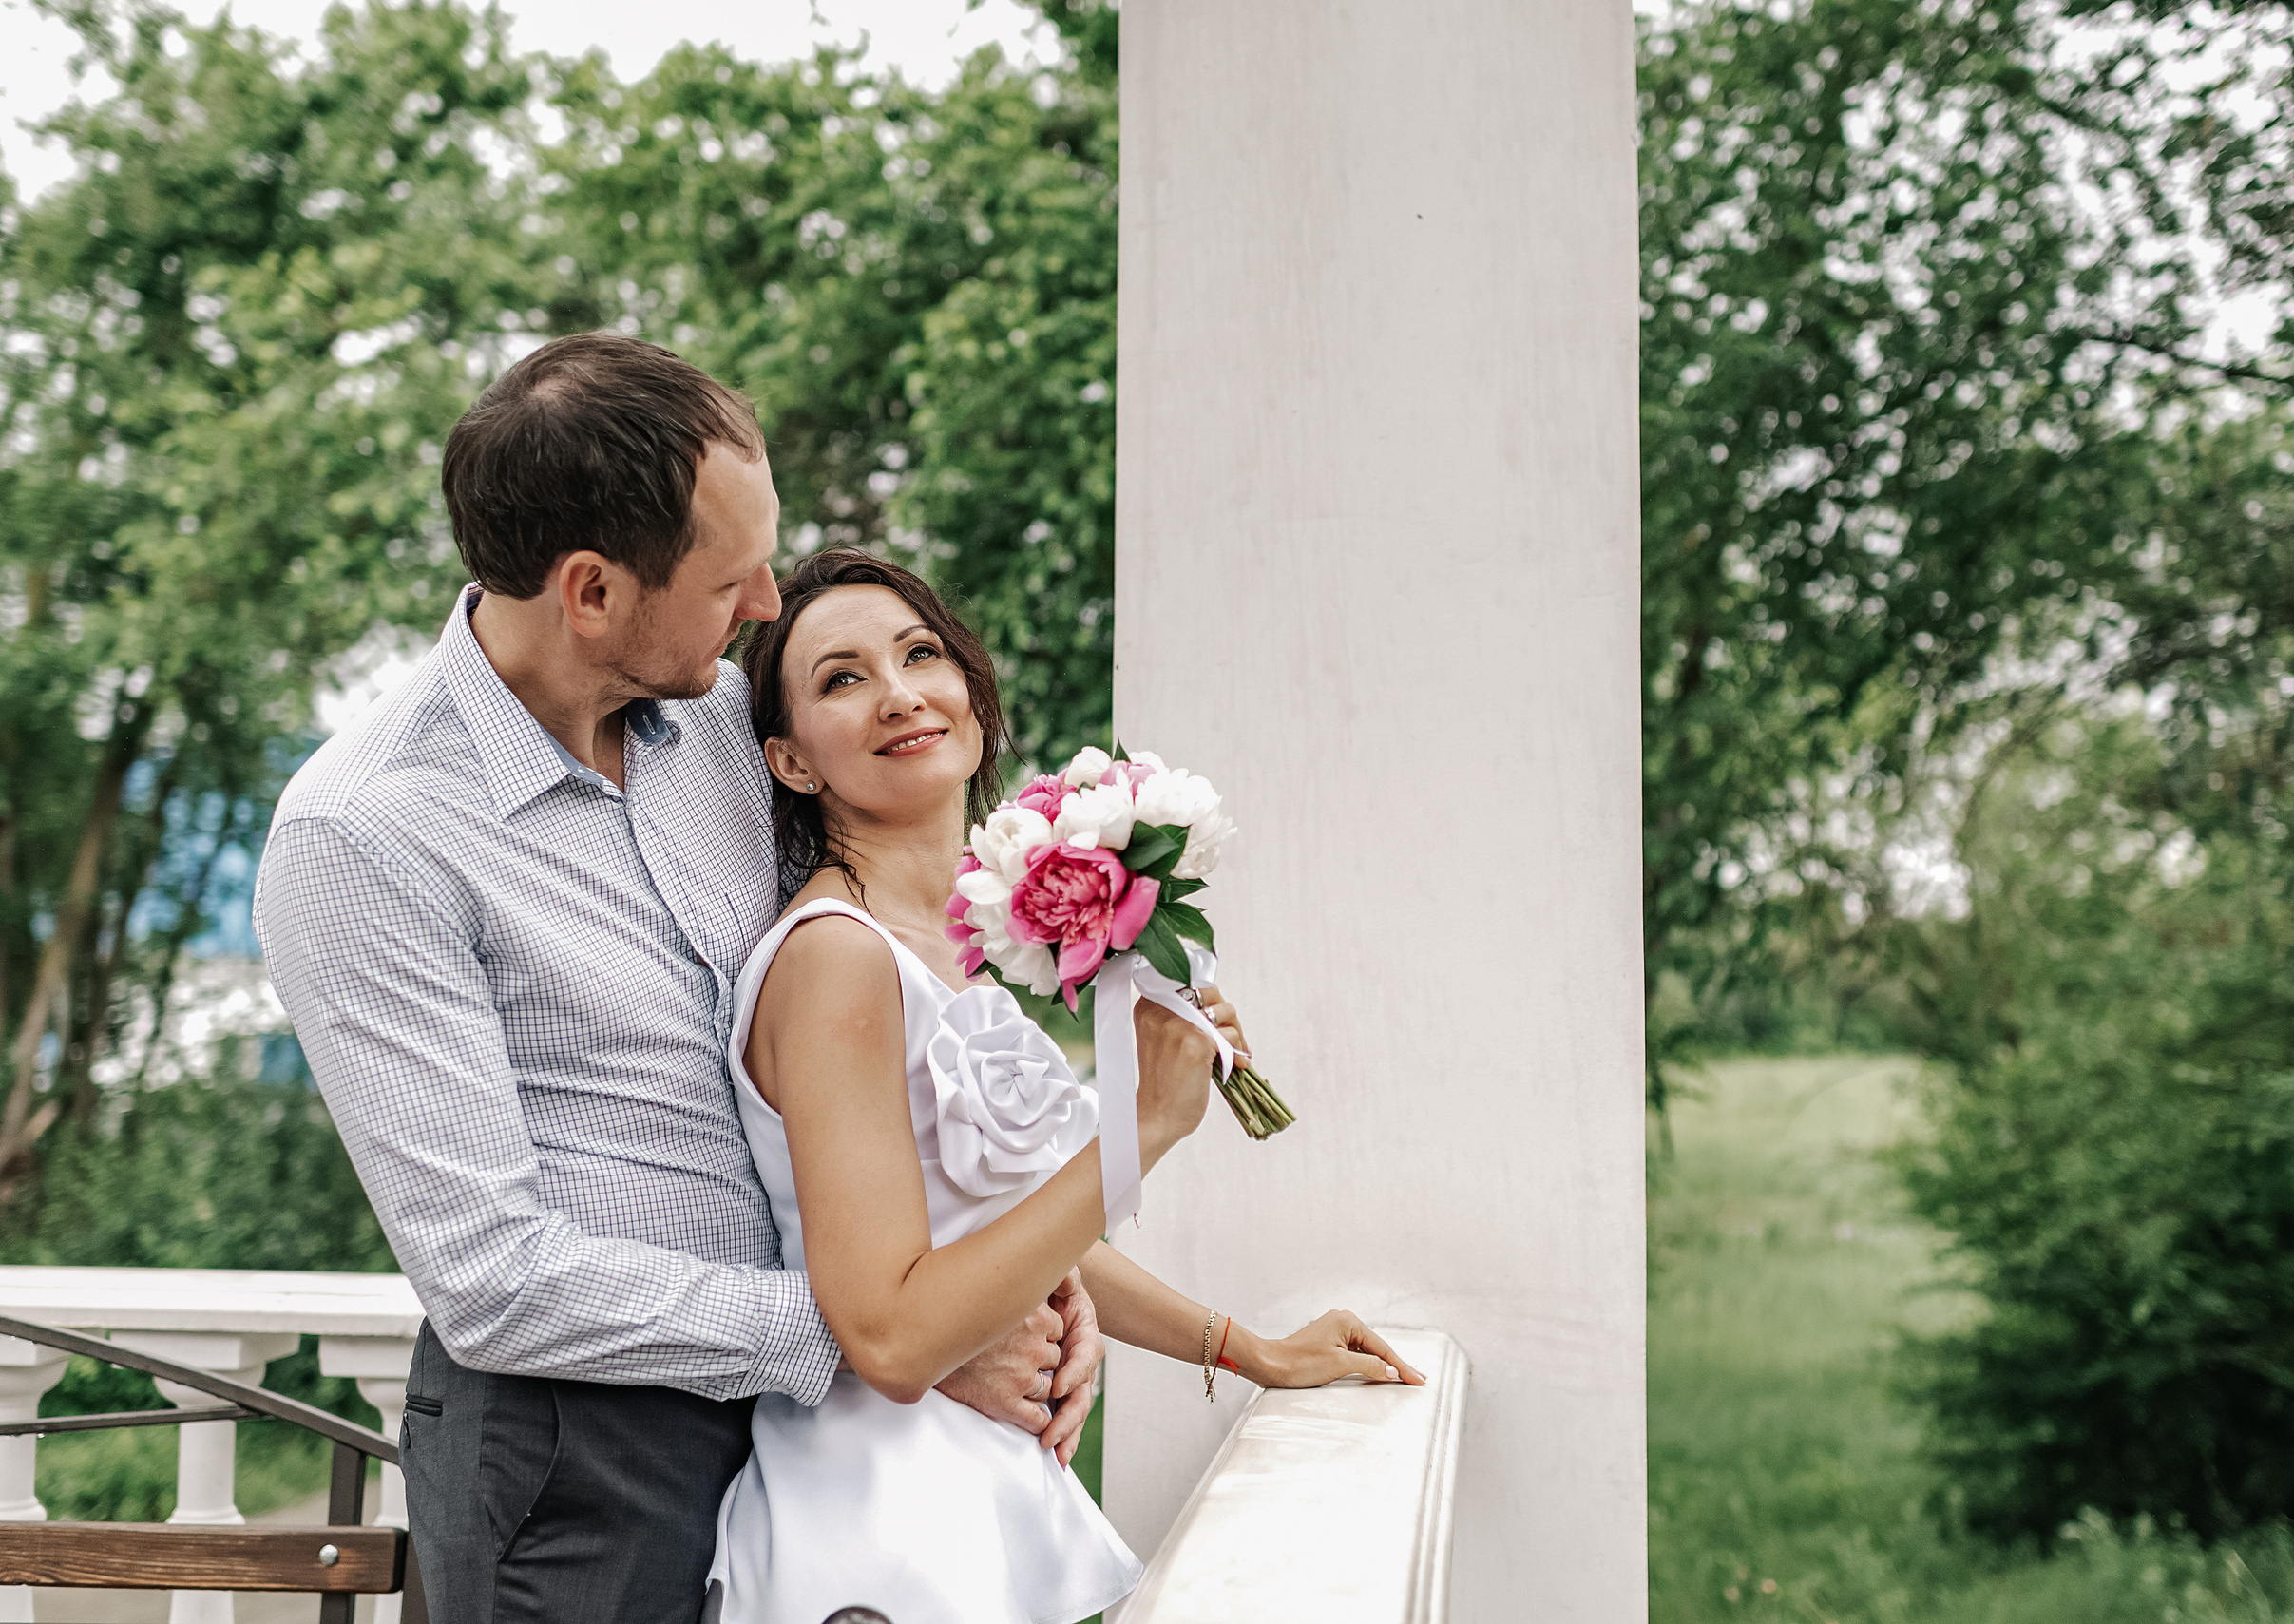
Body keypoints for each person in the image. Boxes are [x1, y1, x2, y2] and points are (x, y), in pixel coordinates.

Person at [253, 334, 1093, 1622]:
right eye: (727, 576)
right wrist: (878, 1342)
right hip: (578, 1461)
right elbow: (494, 1278)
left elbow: (854, 1045)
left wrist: (1010, 1277)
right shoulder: (366, 836)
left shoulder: (716, 723)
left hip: (808, 1439)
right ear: (591, 590)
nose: (764, 602)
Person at [704, 549, 1424, 1624]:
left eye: (919, 653)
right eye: (842, 678)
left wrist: (1242, 1347)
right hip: (881, 1540)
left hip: (966, 1503)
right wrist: (1143, 1126)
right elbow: (894, 1337)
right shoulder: (836, 961)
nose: (900, 691)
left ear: (971, 690)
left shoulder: (935, 952)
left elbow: (1014, 1231)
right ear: (791, 760)